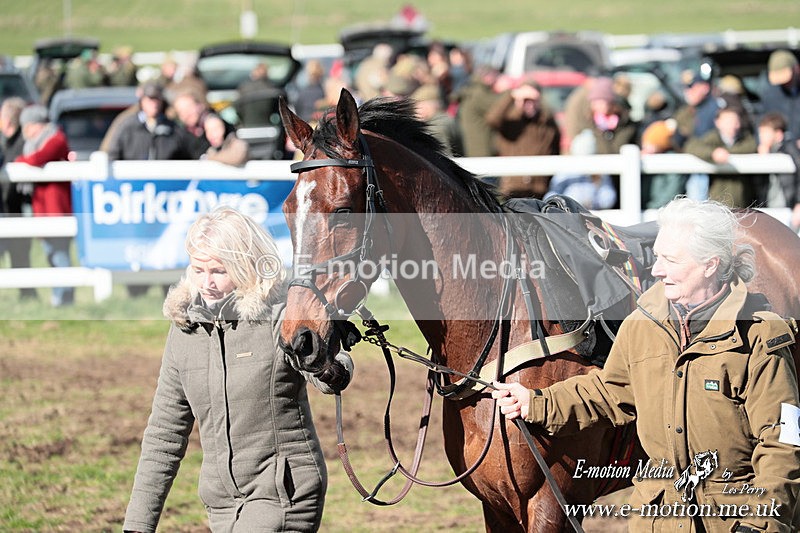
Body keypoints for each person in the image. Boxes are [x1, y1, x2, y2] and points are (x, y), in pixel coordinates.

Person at [492, 197, 800, 532]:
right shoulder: (643, 325)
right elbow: (610, 391)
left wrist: (762, 523)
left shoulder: (759, 338)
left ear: (710, 264)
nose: (656, 271)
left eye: (671, 260)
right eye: (658, 258)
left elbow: (784, 441)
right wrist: (536, 403)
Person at [122, 207, 354, 533]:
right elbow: (164, 433)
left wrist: (319, 358)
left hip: (284, 492)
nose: (207, 283)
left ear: (245, 267)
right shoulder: (184, 330)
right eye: (198, 269)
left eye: (218, 271)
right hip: (222, 505)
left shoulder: (280, 315)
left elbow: (335, 376)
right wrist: (137, 525)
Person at [14, 104, 74, 307]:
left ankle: (64, 297)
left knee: (60, 254)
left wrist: (20, 160)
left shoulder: (56, 139)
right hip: (43, 208)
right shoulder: (38, 142)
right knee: (51, 254)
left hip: (57, 207)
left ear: (37, 125)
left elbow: (37, 159)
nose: (26, 132)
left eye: (28, 126)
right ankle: (59, 296)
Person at [486, 78, 561, 198]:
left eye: (533, 100)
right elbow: (492, 119)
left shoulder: (546, 124)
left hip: (539, 189)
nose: (529, 105)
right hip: (513, 189)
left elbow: (555, 150)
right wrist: (512, 96)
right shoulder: (510, 122)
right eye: (526, 100)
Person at [684, 107, 758, 207]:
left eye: (736, 121)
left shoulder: (746, 138)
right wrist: (712, 153)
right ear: (718, 122)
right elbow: (692, 146)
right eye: (729, 121)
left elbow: (751, 146)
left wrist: (725, 153)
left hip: (743, 201)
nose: (733, 125)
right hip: (717, 201)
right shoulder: (712, 138)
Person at [0, 97, 36, 299]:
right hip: (10, 207)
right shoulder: (8, 142)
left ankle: (27, 294)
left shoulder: (22, 144)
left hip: (17, 206)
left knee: (20, 253)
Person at [105, 81, 191, 161]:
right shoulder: (127, 126)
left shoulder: (174, 129)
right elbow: (112, 155)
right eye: (150, 99)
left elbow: (186, 157)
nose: (154, 104)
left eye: (157, 99)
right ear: (141, 101)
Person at [757, 111, 800, 228]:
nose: (760, 136)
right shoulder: (762, 151)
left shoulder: (790, 148)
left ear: (778, 134)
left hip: (787, 207)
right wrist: (763, 159)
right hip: (769, 207)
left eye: (764, 132)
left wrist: (798, 203)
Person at [761, 50, 800, 147]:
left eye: (787, 79)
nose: (784, 83)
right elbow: (764, 120)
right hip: (781, 150)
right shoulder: (770, 96)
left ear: (796, 69)